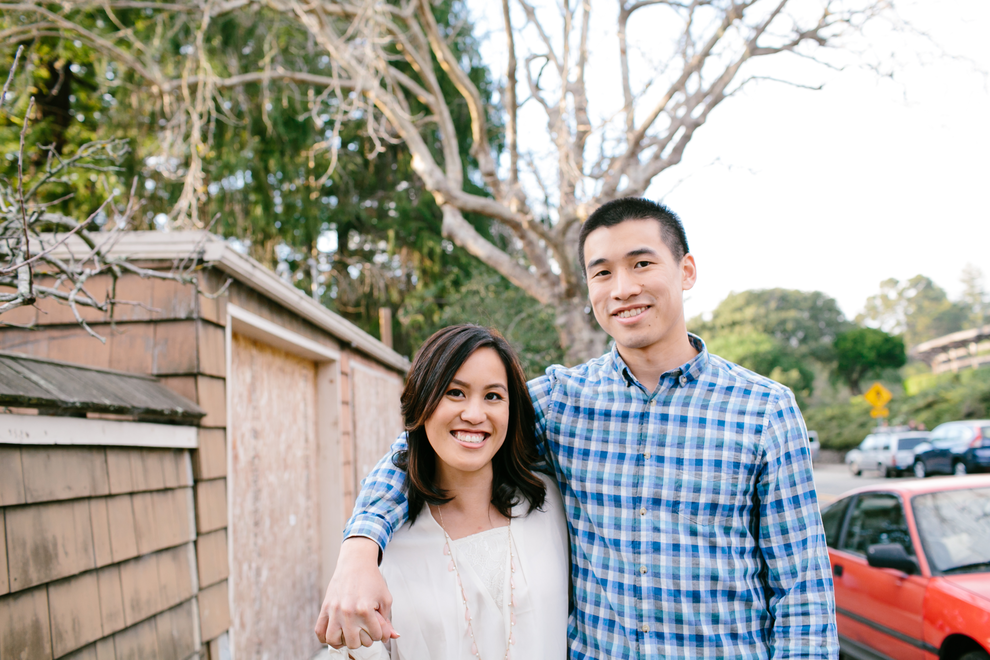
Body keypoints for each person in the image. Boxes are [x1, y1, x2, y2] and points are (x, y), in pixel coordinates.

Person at [316, 198, 838, 659]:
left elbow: (802, 592)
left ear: (686, 271)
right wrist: (359, 551)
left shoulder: (764, 409)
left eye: (641, 264)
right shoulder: (561, 401)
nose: (624, 288)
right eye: (602, 272)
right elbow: (419, 449)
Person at [327, 324, 569, 659]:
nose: (474, 414)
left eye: (493, 396)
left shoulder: (549, 506)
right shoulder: (382, 549)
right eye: (455, 392)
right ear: (422, 401)